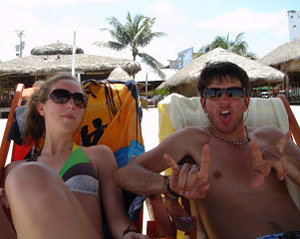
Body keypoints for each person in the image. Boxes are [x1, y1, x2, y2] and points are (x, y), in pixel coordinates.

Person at [116, 62, 300, 238]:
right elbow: (125, 174)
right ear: (204, 104)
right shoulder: (192, 139)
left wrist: (286, 163)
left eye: (234, 93)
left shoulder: (272, 137)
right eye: (214, 94)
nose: (224, 100)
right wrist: (169, 185)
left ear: (246, 102)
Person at [0, 74, 147, 239]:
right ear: (41, 108)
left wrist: (129, 233)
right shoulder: (13, 169)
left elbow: (117, 217)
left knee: (28, 174)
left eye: (79, 100)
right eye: (61, 97)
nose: (71, 104)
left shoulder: (99, 156)